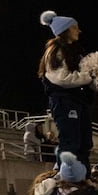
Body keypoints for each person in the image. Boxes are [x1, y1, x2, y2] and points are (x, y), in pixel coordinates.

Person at [39, 10, 93, 172]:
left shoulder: (75, 51)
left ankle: (83, 176)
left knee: (84, 142)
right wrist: (89, 77)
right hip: (64, 101)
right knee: (70, 141)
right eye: (75, 28)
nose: (79, 31)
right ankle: (66, 177)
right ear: (65, 30)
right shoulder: (55, 51)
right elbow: (62, 79)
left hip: (79, 101)